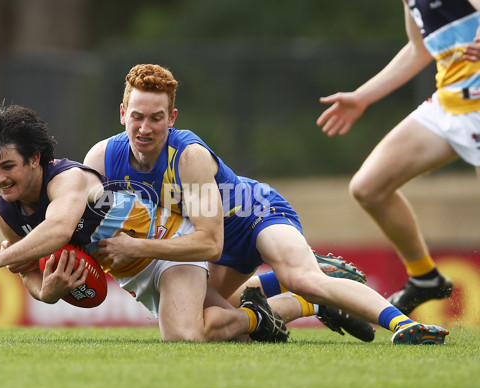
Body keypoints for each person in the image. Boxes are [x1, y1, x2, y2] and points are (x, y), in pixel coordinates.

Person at [83, 63, 448, 344]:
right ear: (122, 114)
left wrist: (134, 246)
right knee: (223, 326)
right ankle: (314, 303)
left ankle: (405, 325)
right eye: (137, 117)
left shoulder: (188, 156)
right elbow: (79, 219)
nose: (145, 128)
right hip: (213, 247)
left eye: (156, 118)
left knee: (301, 277)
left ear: (172, 119)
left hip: (255, 214)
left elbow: (211, 242)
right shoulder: (102, 158)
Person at [0, 103, 288, 343]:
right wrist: (45, 293)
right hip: (134, 275)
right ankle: (287, 307)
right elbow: (27, 269)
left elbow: (58, 229)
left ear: (35, 159)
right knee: (222, 326)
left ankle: (265, 313)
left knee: (185, 335)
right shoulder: (7, 213)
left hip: (166, 245)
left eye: (8, 166)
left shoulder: (67, 180)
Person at [317, 0, 480, 315]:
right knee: (369, 187)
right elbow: (417, 49)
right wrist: (363, 96)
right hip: (449, 104)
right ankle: (425, 277)